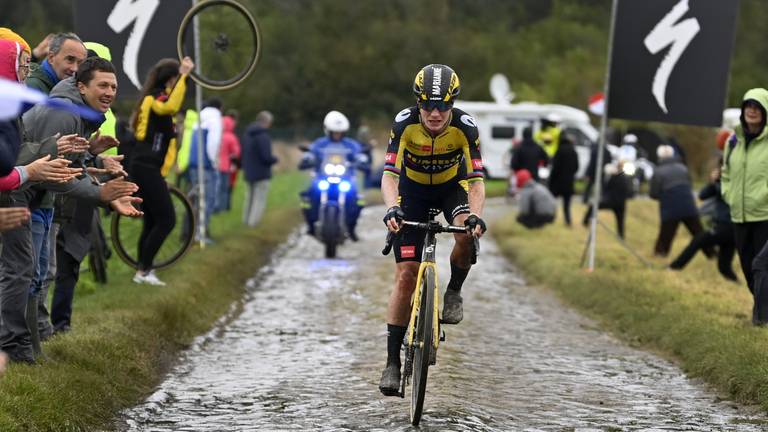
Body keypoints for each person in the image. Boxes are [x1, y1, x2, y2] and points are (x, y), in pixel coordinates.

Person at [5, 56, 141, 362]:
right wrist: (102, 195)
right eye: (102, 85)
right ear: (81, 86)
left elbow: (71, 167)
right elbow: (58, 175)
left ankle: (29, 347)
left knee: (35, 273)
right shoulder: (65, 113)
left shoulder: (82, 111)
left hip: (35, 195)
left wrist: (94, 159)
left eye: (114, 86)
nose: (109, 92)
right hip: (23, 194)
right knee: (23, 273)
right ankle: (18, 348)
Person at [379, 64, 486, 395]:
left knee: (466, 234)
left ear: (452, 104)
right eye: (427, 105)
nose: (435, 113)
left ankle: (453, 290)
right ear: (418, 104)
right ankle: (392, 363)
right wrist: (391, 207)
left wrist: (475, 216)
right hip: (412, 193)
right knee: (407, 275)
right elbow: (389, 175)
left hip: (450, 189)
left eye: (442, 106)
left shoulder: (465, 128)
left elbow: (477, 181)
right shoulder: (404, 124)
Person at [128, 57, 194, 286]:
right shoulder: (158, 98)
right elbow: (171, 106)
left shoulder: (156, 96)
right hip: (145, 166)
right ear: (171, 79)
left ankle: (143, 270)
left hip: (149, 167)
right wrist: (184, 75)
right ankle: (144, 270)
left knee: (153, 220)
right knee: (167, 220)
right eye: (177, 80)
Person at [721, 89, 768, 325]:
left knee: (762, 268)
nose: (752, 110)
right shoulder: (733, 140)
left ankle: (761, 320)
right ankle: (762, 310)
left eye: (757, 107)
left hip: (764, 215)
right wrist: (728, 194)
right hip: (739, 215)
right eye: (748, 105)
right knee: (749, 270)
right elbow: (726, 172)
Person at [299, 110, 365, 240]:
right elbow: (311, 152)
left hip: (346, 178)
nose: (337, 135)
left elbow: (359, 154)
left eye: (340, 132)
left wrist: (362, 159)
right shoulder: (319, 143)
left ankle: (351, 227)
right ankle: (311, 225)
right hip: (322, 177)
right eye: (334, 132)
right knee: (308, 198)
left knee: (358, 200)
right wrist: (308, 157)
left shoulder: (350, 144)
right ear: (328, 131)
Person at [669, 162, 737, 281]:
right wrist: (712, 181)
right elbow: (702, 195)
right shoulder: (719, 182)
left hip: (728, 225)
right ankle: (737, 283)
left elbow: (727, 195)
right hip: (724, 226)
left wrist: (718, 182)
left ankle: (675, 267)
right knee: (724, 267)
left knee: (698, 240)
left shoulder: (735, 182)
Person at [649, 145, 706, 257]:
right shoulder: (682, 168)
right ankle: (712, 253)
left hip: (670, 209)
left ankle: (660, 254)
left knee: (666, 234)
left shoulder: (658, 171)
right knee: (698, 232)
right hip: (688, 206)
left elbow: (653, 194)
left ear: (659, 156)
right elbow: (690, 186)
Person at [188, 98, 223, 243]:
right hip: (206, 166)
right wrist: (214, 161)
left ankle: (193, 233)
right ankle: (200, 234)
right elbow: (213, 143)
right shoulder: (215, 119)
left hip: (194, 164)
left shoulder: (199, 118)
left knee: (197, 201)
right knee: (208, 200)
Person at [241, 110, 276, 227]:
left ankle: (246, 221)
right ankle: (253, 223)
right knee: (259, 199)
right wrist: (274, 159)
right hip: (261, 172)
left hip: (248, 171)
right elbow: (266, 157)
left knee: (249, 198)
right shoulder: (263, 137)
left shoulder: (247, 135)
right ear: (267, 122)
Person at [582, 162, 633, 239]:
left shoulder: (614, 176)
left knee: (593, 206)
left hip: (611, 201)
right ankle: (621, 235)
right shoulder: (626, 178)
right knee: (620, 220)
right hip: (620, 203)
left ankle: (585, 222)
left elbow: (606, 188)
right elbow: (630, 192)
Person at [548, 133, 579, 226]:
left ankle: (551, 218)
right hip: (569, 182)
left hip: (558, 182)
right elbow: (577, 167)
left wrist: (551, 179)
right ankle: (568, 221)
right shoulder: (574, 151)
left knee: (553, 202)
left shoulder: (559, 150)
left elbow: (555, 167)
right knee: (567, 205)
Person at [215, 112, 241, 213]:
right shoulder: (232, 137)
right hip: (226, 167)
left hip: (216, 165)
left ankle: (215, 207)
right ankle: (223, 208)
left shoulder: (218, 135)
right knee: (225, 189)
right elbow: (236, 153)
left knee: (216, 188)